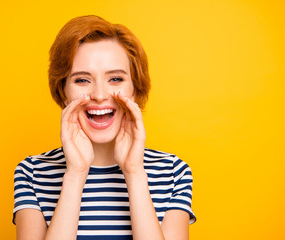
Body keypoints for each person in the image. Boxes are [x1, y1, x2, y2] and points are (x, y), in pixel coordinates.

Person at [13, 15, 196, 240]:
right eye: (82, 80)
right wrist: (75, 174)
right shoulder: (32, 172)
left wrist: (134, 173)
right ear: (63, 93)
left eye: (116, 79)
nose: (99, 96)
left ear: (135, 90)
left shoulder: (173, 172)